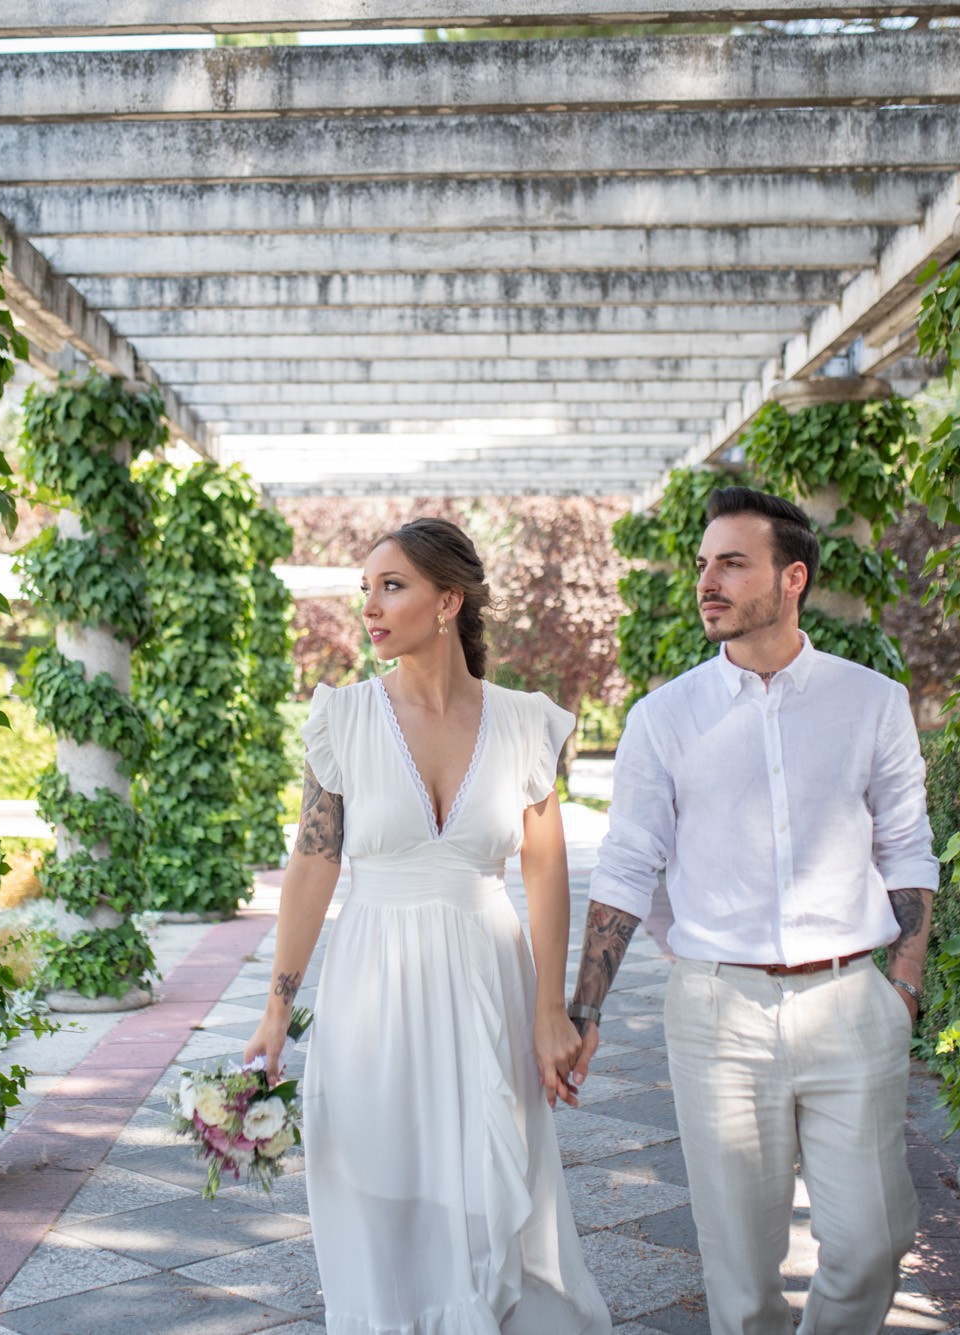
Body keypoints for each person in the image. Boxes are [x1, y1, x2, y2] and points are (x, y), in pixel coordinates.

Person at [568, 486, 937, 1335]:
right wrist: (585, 1006)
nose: (708, 581)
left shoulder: (872, 702)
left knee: (873, 1241)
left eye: (732, 563)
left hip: (850, 1002)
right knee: (739, 1270)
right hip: (716, 1010)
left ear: (793, 576)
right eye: (704, 565)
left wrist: (903, 988)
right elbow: (627, 865)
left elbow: (907, 847)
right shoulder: (663, 718)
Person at [245, 517, 611, 1335]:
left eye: (391, 586)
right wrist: (278, 1007)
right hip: (373, 984)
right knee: (381, 1191)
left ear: (449, 600)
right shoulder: (342, 719)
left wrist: (551, 1008)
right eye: (365, 589)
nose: (369, 607)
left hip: (491, 978)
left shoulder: (523, 721)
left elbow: (544, 870)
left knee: (497, 1187)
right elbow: (313, 864)